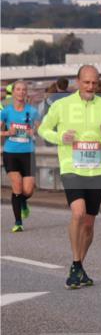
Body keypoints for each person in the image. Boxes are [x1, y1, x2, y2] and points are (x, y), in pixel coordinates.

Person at [38, 65, 101, 289]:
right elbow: (43, 129)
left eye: (94, 83)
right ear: (77, 82)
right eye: (86, 82)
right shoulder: (62, 105)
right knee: (78, 212)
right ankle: (75, 262)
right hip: (71, 167)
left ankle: (79, 268)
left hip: (96, 170)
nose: (90, 87)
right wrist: (61, 136)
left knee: (89, 225)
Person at [1, 80, 40, 232]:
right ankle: (18, 222)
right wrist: (6, 133)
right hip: (11, 153)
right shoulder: (6, 111)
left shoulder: (33, 111)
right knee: (17, 186)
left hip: (28, 154)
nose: (21, 92)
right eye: (18, 89)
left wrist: (34, 132)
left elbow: (41, 130)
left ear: (26, 93)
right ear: (14, 92)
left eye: (24, 90)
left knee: (28, 190)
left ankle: (22, 202)